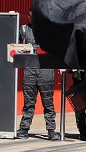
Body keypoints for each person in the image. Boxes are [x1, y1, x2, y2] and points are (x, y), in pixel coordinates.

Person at [16, 8, 59, 141]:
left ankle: (51, 130)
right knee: (28, 102)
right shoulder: (23, 29)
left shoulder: (50, 30)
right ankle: (24, 129)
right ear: (29, 17)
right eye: (31, 17)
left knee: (48, 102)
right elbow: (9, 37)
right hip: (30, 68)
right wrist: (11, 19)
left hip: (45, 69)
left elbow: (59, 47)